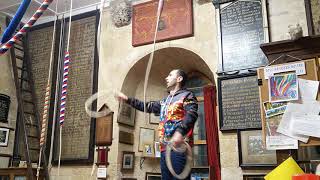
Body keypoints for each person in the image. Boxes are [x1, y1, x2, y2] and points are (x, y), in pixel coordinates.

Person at [115, 69, 198, 180]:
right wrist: (127, 100)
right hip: (164, 149)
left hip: (179, 148)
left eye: (170, 75)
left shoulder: (187, 95)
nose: (166, 78)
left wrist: (180, 133)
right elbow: (147, 106)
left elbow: (191, 115)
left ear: (179, 79)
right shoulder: (165, 101)